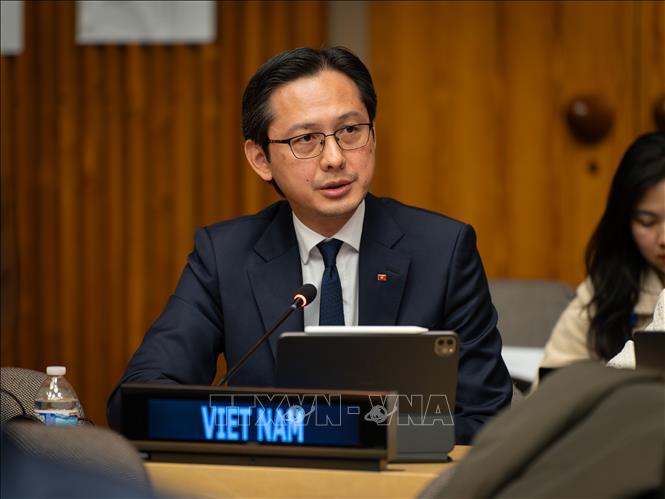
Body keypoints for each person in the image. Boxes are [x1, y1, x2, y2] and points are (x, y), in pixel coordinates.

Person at [107, 47, 512, 444]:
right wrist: (281, 429)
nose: (334, 158)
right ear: (261, 159)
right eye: (306, 139)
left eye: (350, 131)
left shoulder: (443, 250)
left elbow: (487, 417)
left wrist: (357, 433)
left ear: (372, 135)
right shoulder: (224, 256)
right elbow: (136, 401)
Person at [539, 132, 665, 374]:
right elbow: (552, 380)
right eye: (647, 222)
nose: (663, 239)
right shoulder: (608, 288)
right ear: (624, 222)